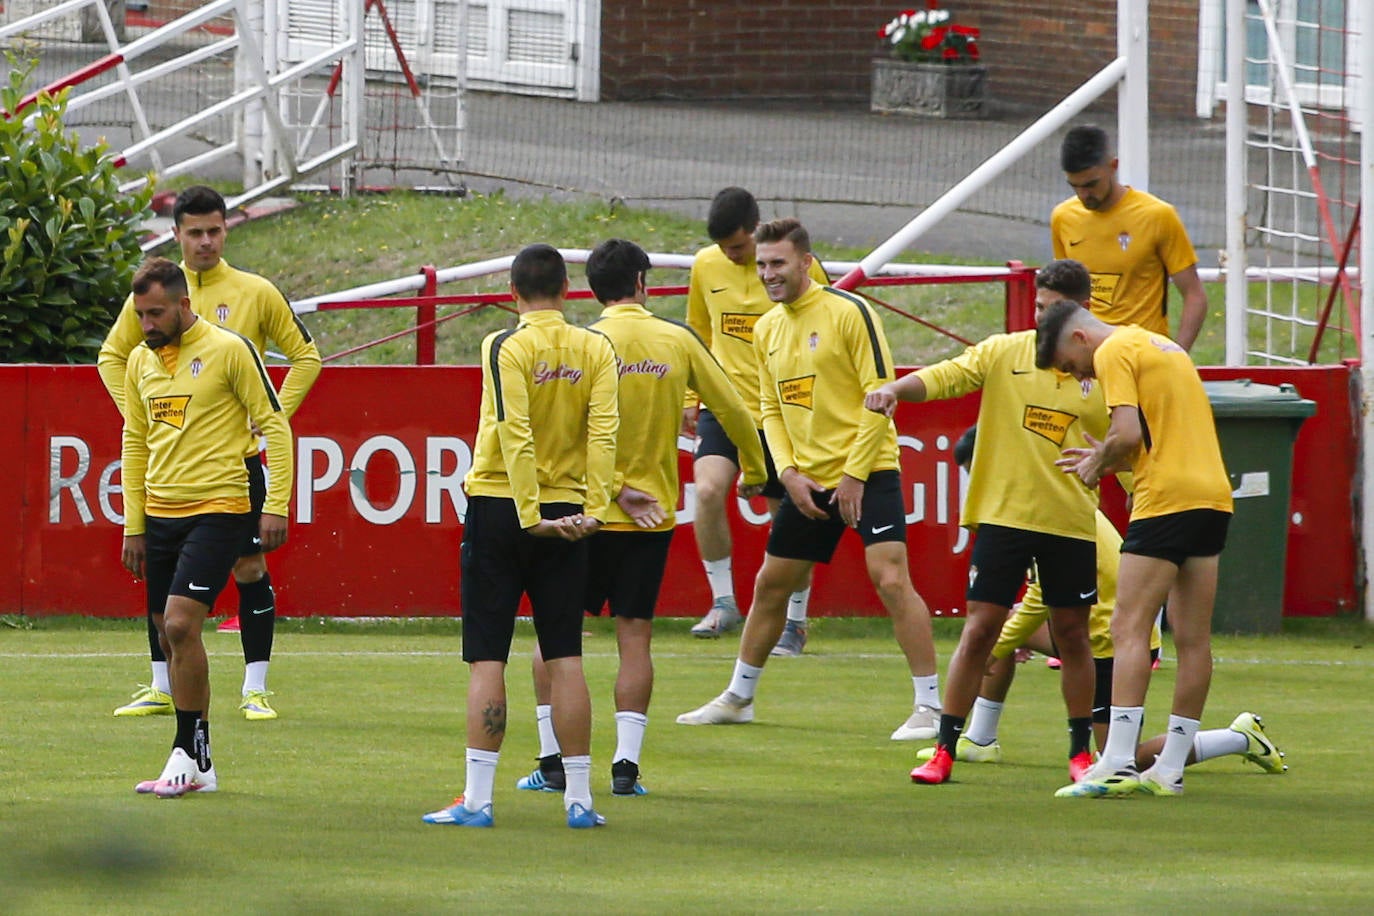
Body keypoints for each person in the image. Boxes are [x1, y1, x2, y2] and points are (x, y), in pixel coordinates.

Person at [515, 238, 769, 799]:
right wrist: (754, 469)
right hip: (650, 519)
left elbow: (562, 431)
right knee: (635, 640)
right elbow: (731, 408)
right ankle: (626, 768)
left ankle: (551, 759)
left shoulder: (584, 344)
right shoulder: (675, 340)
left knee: (556, 639)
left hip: (581, 514)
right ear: (641, 282)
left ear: (590, 289)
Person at [676, 218, 941, 734]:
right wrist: (789, 473)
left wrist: (856, 476)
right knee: (771, 586)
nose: (768, 274)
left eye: (777, 263)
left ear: (805, 262)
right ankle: (739, 696)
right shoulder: (767, 328)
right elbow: (770, 409)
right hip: (809, 482)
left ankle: (930, 706)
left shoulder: (850, 312)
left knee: (890, 579)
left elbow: (879, 396)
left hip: (868, 473)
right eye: (762, 265)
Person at [914, 427, 1285, 778]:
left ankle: (1238, 737)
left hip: (1109, 640)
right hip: (1096, 626)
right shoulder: (1037, 502)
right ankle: (980, 738)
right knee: (997, 628)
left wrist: (995, 650)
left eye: (976, 473)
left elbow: (1041, 597)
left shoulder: (1048, 510)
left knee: (1123, 759)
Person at [864, 258, 1103, 786]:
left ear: (1084, 312)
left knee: (1073, 637)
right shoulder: (1005, 352)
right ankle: (944, 749)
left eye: (1054, 310)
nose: (1043, 319)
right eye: (1038, 307)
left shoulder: (1105, 368)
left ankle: (1080, 754)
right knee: (979, 632)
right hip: (1003, 517)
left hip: (1069, 520)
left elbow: (1129, 443)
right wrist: (897, 390)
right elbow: (949, 376)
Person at [99, 185, 321, 721]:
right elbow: (112, 357)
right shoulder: (154, 296)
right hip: (174, 467)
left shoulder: (254, 290)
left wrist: (267, 417)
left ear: (227, 229)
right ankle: (161, 685)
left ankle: (255, 686)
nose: (206, 242)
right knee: (164, 591)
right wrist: (144, 415)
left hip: (235, 462)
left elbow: (307, 357)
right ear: (176, 235)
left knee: (249, 565)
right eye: (195, 232)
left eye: (214, 230)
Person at [421, 244, 618, 829]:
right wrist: (596, 510)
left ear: (512, 292)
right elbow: (605, 431)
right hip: (572, 510)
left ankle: (478, 800)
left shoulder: (503, 344)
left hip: (505, 506)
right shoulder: (596, 347)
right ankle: (579, 799)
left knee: (489, 656)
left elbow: (514, 429)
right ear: (567, 289)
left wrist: (530, 512)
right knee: (566, 656)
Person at [1037, 298, 1234, 798]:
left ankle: (1118, 761)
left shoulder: (1113, 351)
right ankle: (1169, 769)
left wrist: (1100, 460)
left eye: (1071, 365)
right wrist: (1108, 458)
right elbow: (1158, 438)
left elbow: (1126, 434)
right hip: (1211, 497)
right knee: (1193, 640)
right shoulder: (1162, 345)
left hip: (1164, 500)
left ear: (1080, 338)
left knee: (1127, 626)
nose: (1081, 376)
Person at [121, 257, 294, 797]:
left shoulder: (229, 349)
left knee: (178, 624)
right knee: (167, 633)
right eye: (140, 315)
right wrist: (134, 524)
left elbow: (274, 425)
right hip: (161, 513)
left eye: (155, 314)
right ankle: (202, 764)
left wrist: (277, 504)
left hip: (221, 507)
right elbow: (134, 441)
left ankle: (184, 751)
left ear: (183, 305)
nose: (146, 325)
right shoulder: (139, 363)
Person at [684, 187, 829, 655]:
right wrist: (692, 394)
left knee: (786, 520)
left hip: (785, 412)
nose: (733, 256)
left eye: (740, 248)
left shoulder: (799, 269)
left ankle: (796, 621)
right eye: (727, 249)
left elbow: (821, 333)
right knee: (706, 491)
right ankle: (723, 600)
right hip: (726, 407)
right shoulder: (706, 266)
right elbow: (699, 331)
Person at [1052, 124, 1208, 351]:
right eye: (1075, 186)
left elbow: (1195, 296)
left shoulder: (1157, 216)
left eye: (1091, 184)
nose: (1084, 195)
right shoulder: (1063, 218)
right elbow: (1063, 296)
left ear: (1113, 166)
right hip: (1087, 361)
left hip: (1142, 356)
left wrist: (1175, 357)